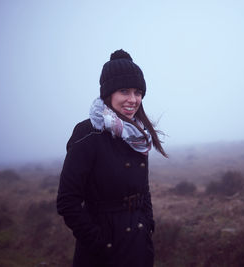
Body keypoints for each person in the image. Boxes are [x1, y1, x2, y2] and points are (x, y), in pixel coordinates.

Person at [57, 49, 167, 267]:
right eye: (124, 91)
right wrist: (99, 242)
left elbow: (143, 190)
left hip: (139, 244)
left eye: (138, 92)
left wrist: (148, 224)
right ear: (108, 94)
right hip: (103, 252)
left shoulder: (138, 134)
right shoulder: (88, 133)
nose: (132, 99)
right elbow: (67, 201)